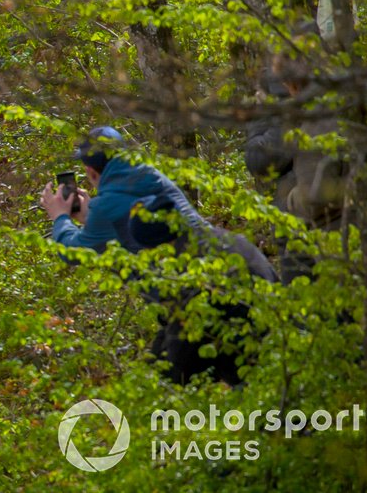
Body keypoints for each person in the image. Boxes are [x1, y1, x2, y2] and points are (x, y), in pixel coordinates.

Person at [40, 126, 277, 384]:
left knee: (168, 383)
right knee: (250, 371)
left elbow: (74, 252)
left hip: (192, 295)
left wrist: (60, 217)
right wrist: (91, 217)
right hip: (239, 267)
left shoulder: (106, 205)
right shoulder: (152, 176)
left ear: (90, 171)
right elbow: (131, 225)